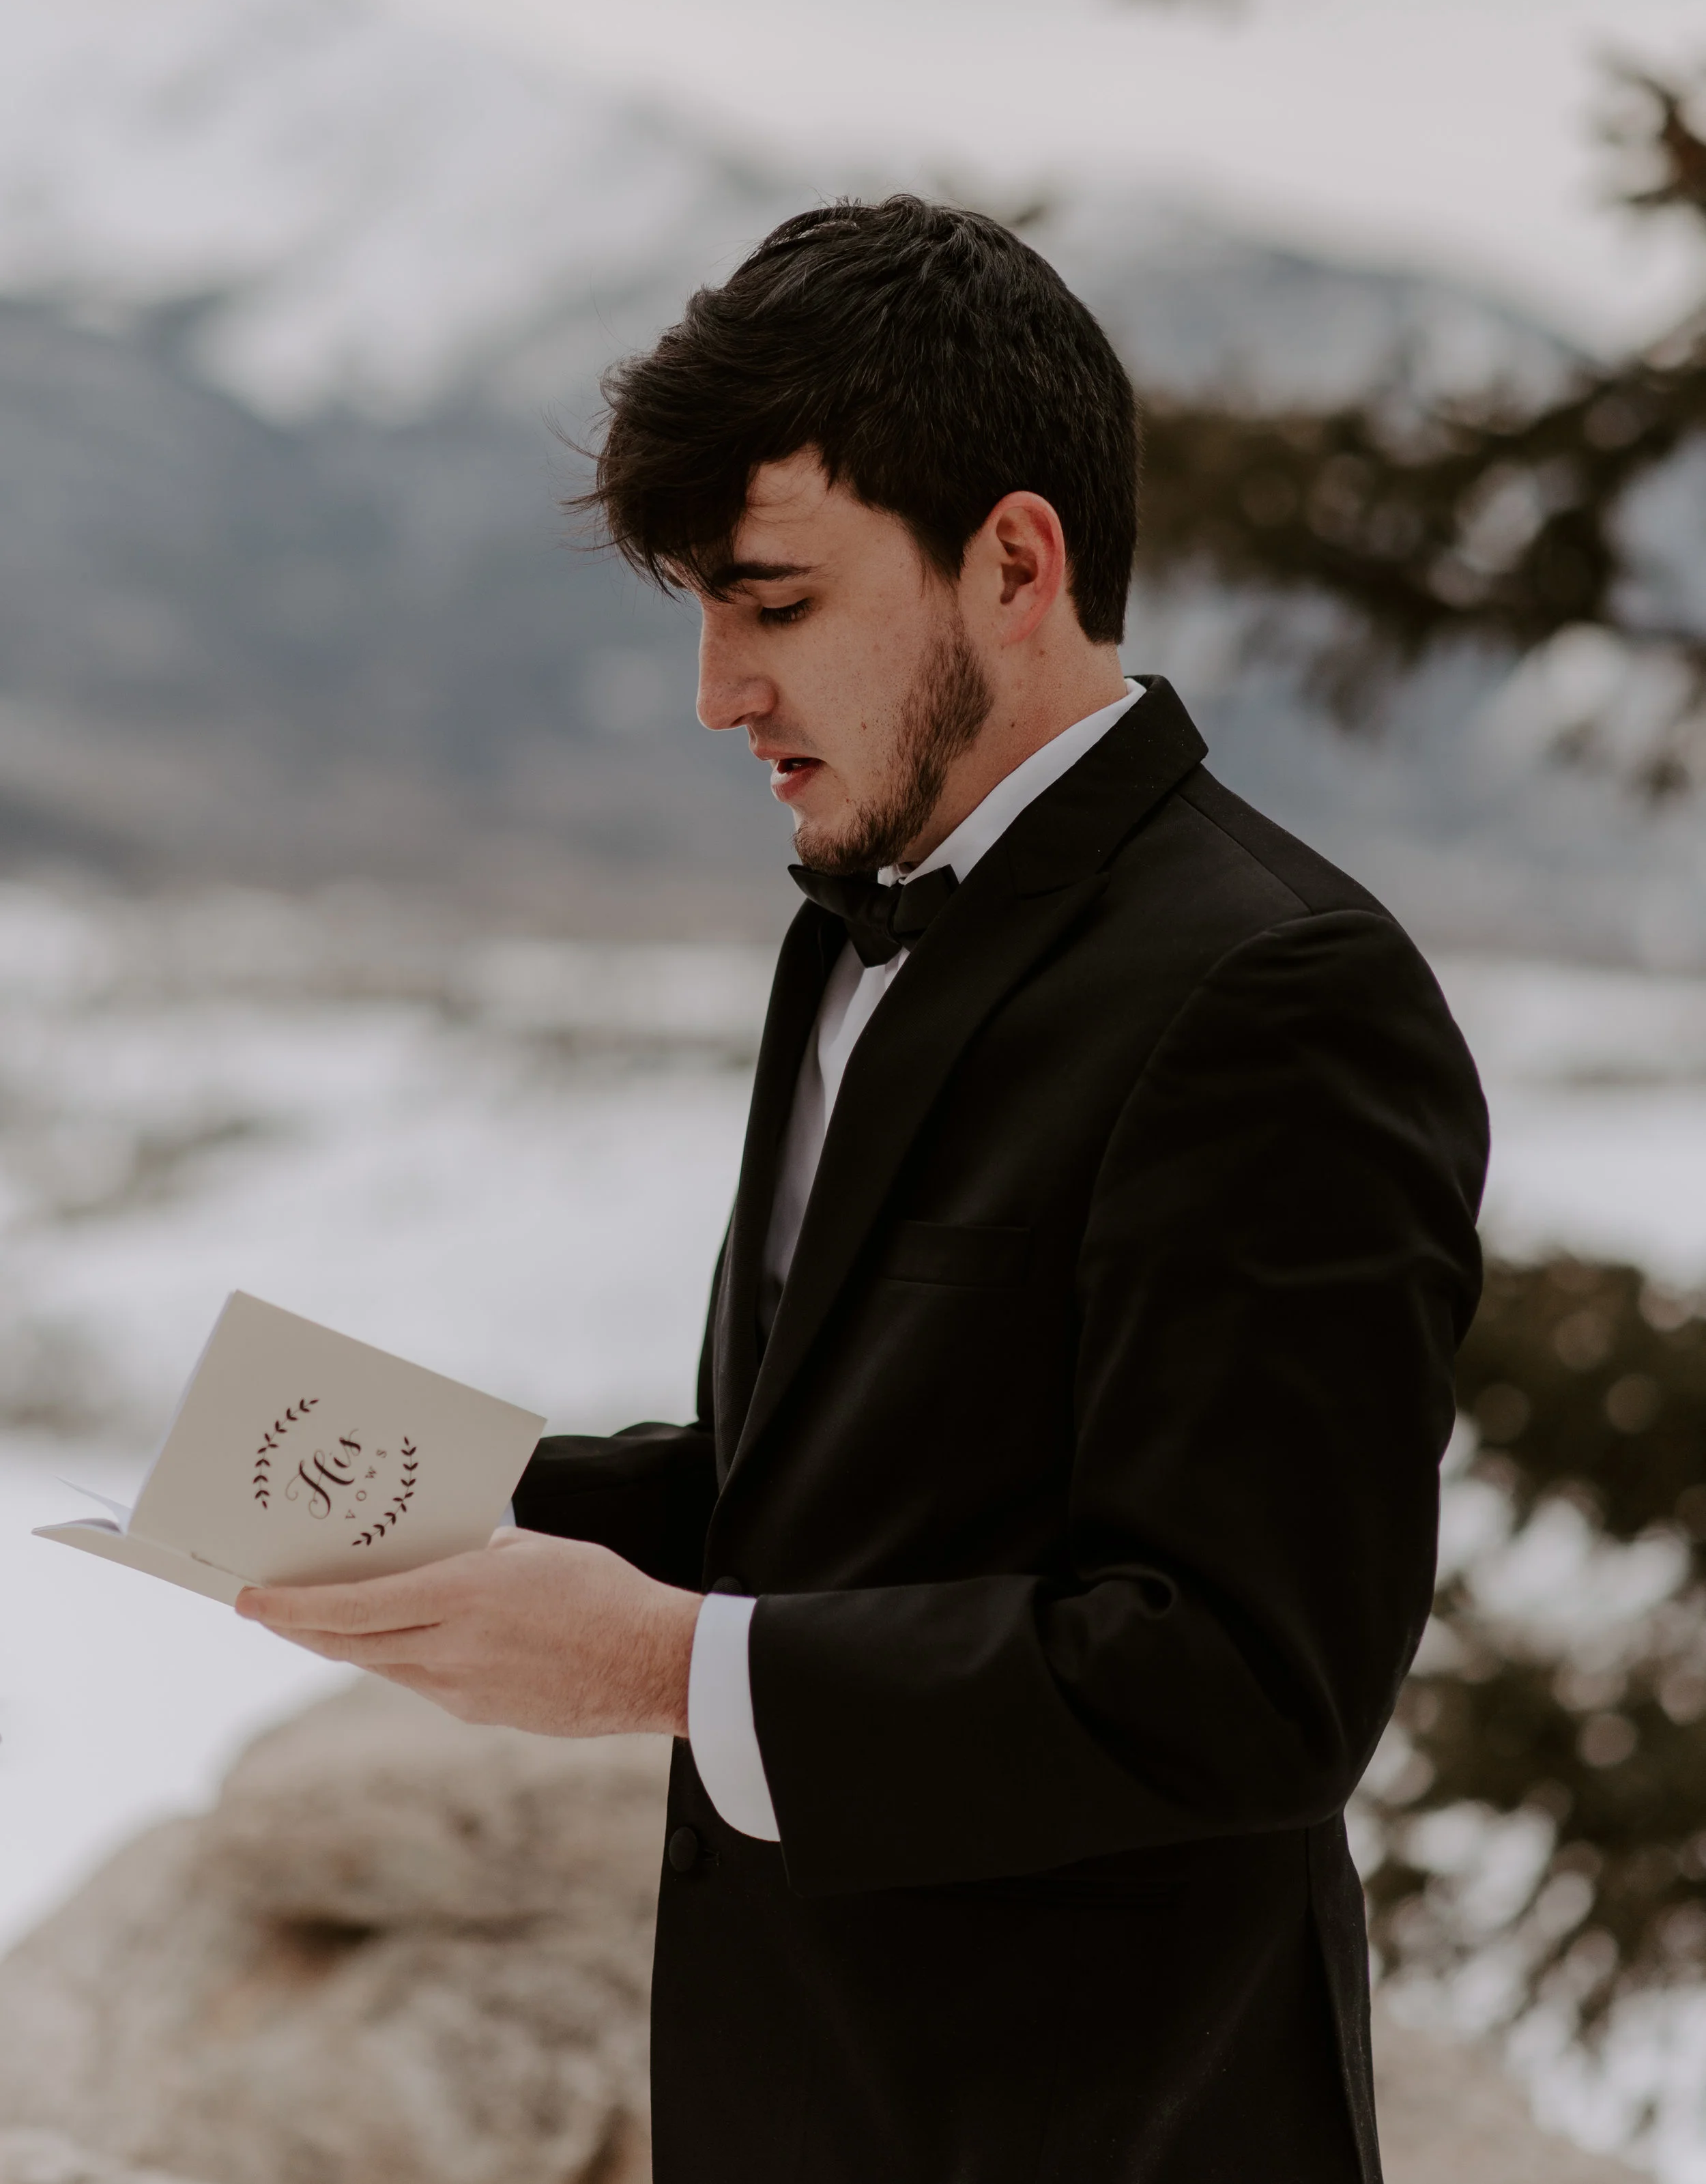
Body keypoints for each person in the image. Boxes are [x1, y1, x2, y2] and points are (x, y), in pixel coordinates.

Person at [240, 197, 1490, 2183]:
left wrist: (654, 1667)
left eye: (778, 604)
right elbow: (831, 1489)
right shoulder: (845, 935)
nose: (718, 691)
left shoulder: (1276, 994)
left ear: (1012, 561)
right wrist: (395, 1491)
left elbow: (1245, 1681)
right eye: (705, 616)